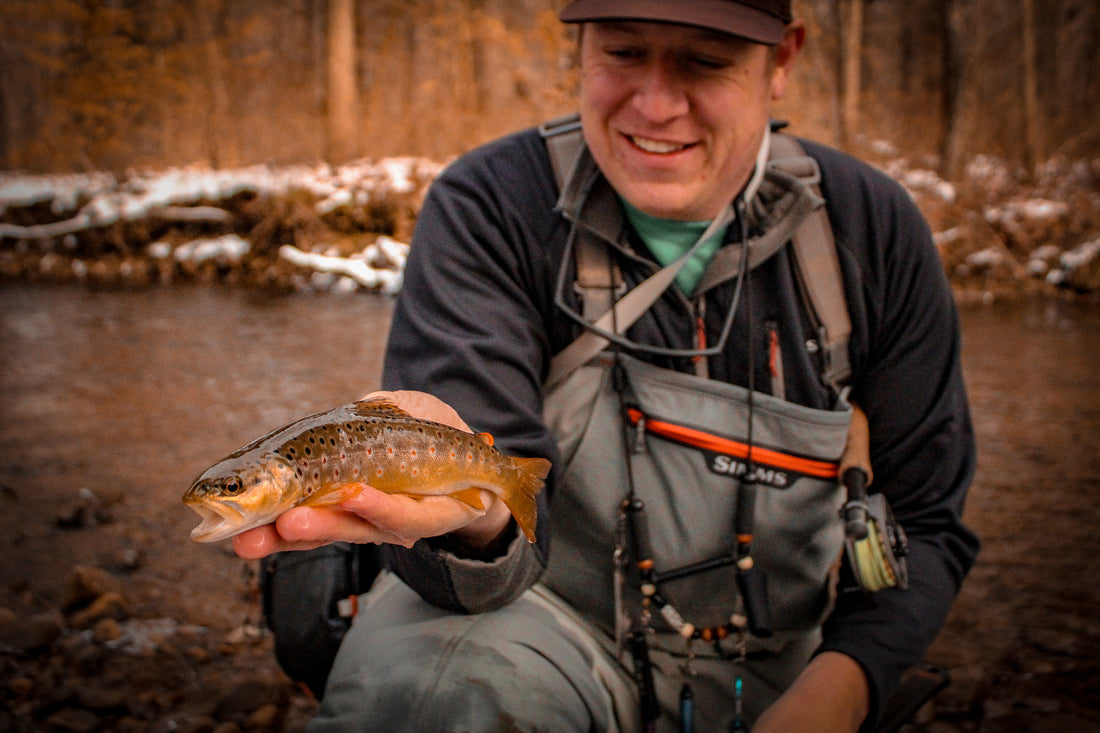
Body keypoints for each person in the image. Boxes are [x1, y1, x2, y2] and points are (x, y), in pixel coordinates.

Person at [235, 1, 979, 730]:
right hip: (537, 628)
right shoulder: (490, 206)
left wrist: (840, 694)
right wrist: (479, 521)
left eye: (706, 60)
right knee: (435, 693)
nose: (656, 105)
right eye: (623, 52)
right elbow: (474, 533)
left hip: (781, 659)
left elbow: (926, 520)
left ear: (781, 59)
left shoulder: (871, 229)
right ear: (581, 49)